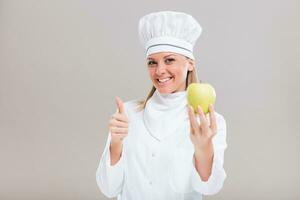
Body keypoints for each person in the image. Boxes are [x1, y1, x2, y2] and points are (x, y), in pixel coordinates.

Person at [96, 11, 227, 200]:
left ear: (190, 63)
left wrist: (203, 148)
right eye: (152, 62)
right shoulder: (128, 114)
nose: (159, 71)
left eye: (169, 60)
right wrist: (116, 144)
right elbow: (109, 189)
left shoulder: (207, 123)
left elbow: (209, 188)